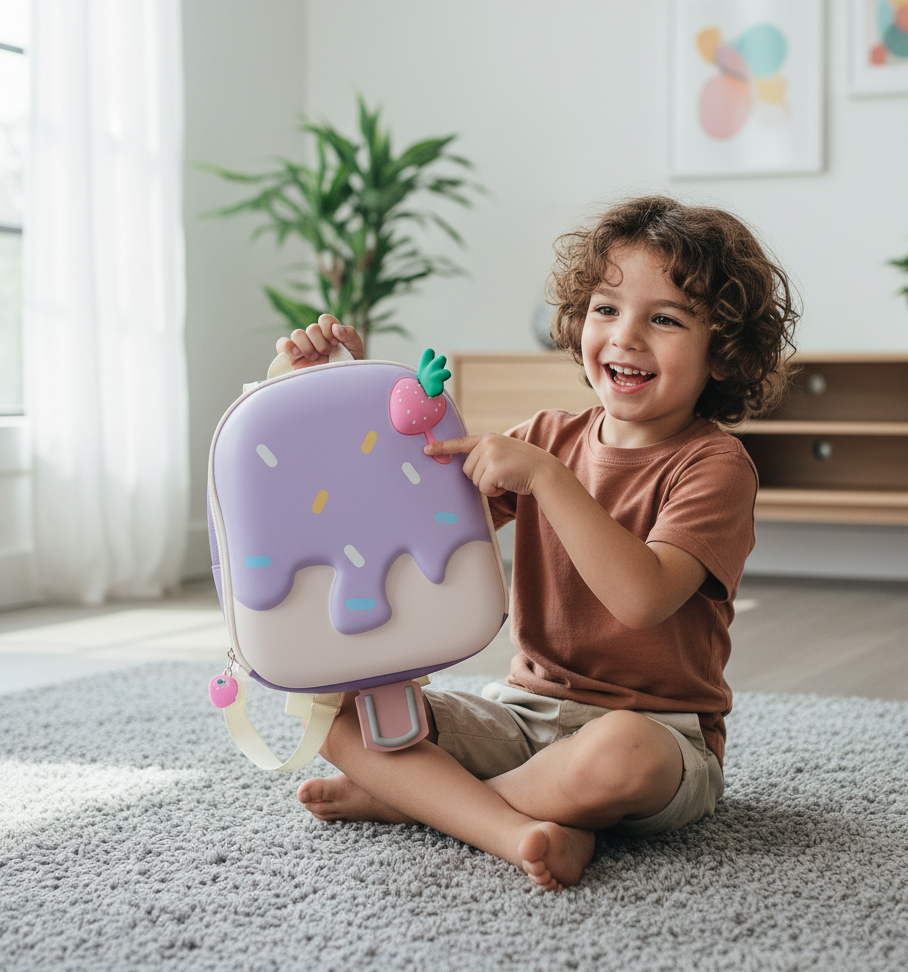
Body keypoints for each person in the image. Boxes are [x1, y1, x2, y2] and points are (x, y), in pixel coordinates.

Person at [275, 196, 798, 891]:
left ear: (724, 354)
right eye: (607, 309)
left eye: (665, 318)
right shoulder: (549, 437)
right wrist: (346, 387)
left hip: (658, 732)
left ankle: (427, 801)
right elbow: (399, 522)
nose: (626, 336)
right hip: (521, 713)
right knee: (341, 711)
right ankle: (521, 824)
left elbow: (641, 598)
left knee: (620, 755)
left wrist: (549, 483)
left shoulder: (716, 467)